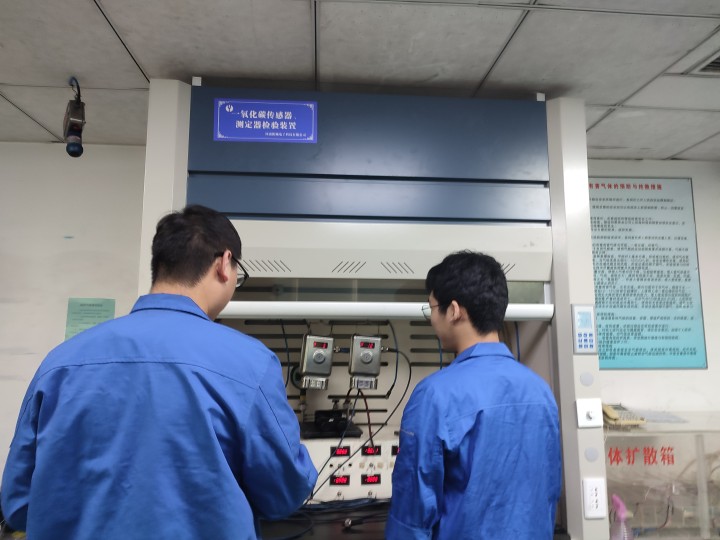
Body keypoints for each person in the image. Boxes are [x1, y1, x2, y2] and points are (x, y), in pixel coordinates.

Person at [1, 205, 317, 539]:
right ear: (224, 264)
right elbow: (285, 494)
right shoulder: (250, 363)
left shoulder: (60, 363)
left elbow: (19, 504)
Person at [386, 250, 561, 540]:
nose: (431, 318)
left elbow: (413, 513)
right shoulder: (541, 391)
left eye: (432, 308)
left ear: (454, 311)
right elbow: (547, 494)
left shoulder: (434, 395)